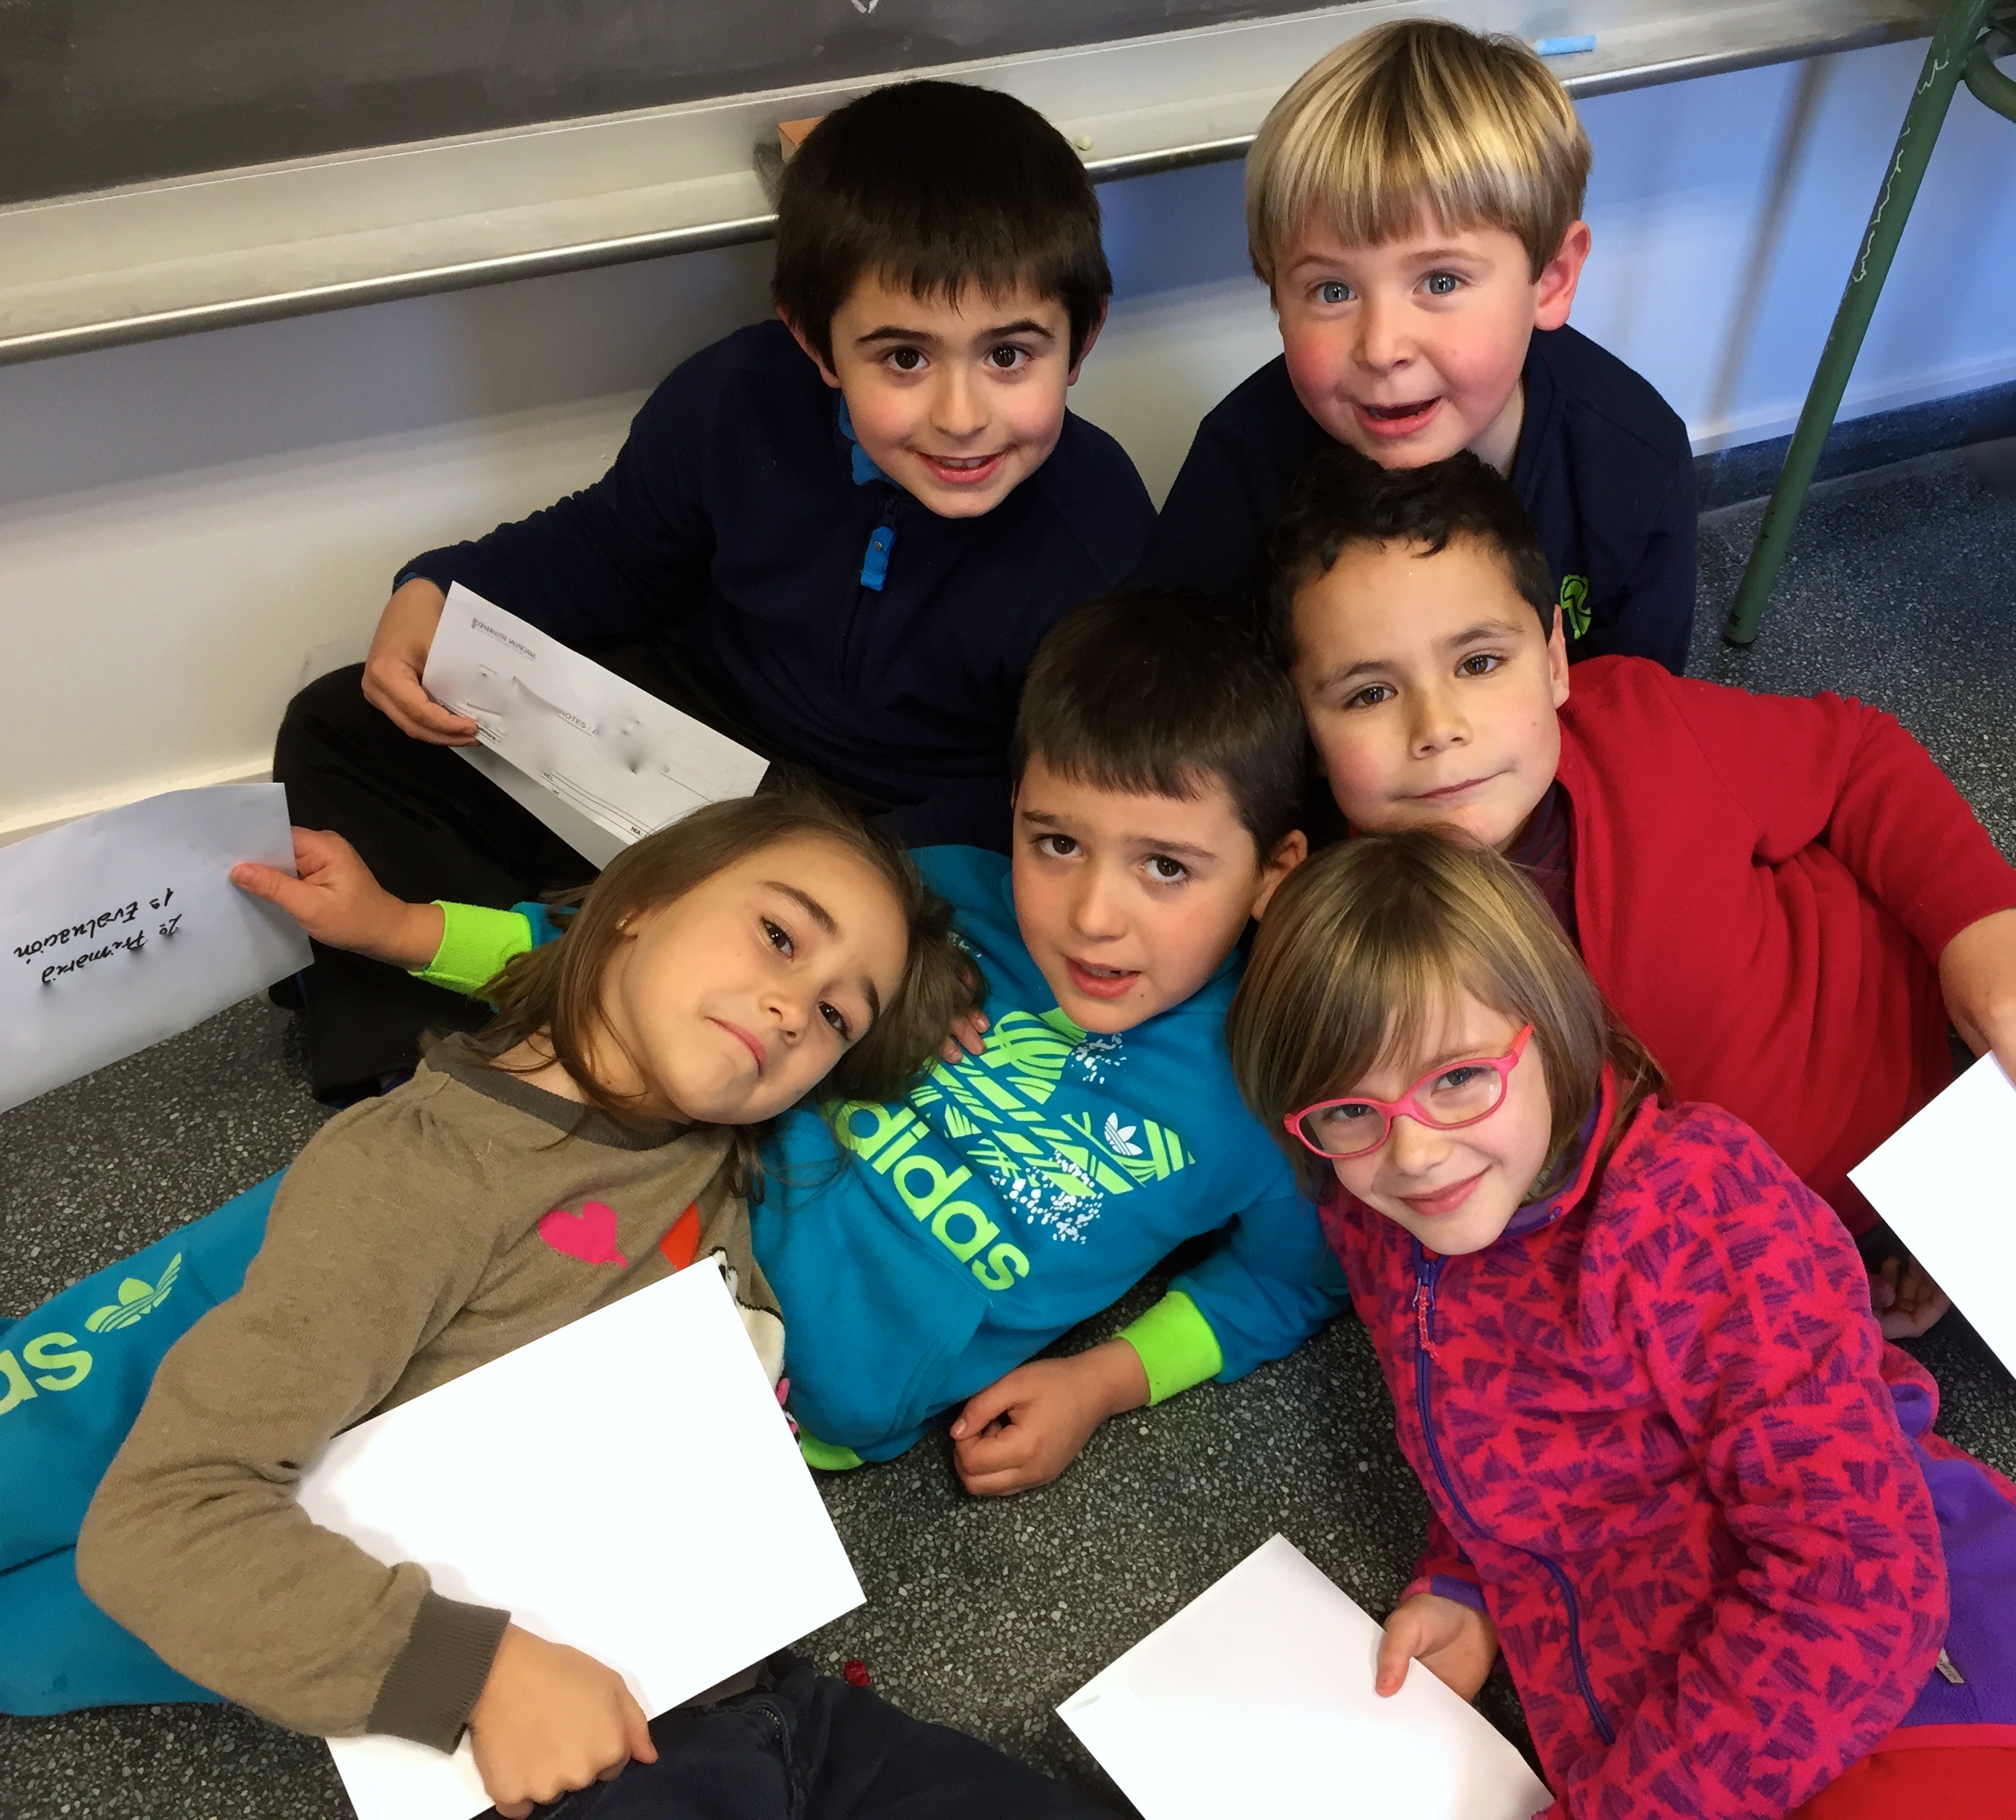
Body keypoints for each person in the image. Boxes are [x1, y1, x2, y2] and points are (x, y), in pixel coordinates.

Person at [5, 598, 1343, 1653]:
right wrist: (408, 930)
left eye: (1166, 866)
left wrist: (1106, 1381)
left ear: (1273, 871)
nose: (1094, 913)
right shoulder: (935, 898)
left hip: (735, 1422)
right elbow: (659, 966)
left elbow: (1291, 1278)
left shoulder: (1269, 1083)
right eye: (1056, 842)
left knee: (318, 1553)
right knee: (211, 1332)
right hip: (591, 1200)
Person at [1256, 445, 2016, 1513]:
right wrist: (1808, 1279)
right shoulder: (1360, 952)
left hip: (1999, 1035)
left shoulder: (1644, 726)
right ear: (1308, 726)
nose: (1438, 727)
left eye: (1480, 661)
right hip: (1921, 1220)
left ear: (1555, 658)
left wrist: (1985, 925)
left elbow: (1860, 762)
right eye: (1368, 693)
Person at [67, 794, 1114, 1820]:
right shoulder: (419, 1175)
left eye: (839, 1015)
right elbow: (155, 1525)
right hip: (577, 1762)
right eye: (779, 936)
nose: (797, 1010)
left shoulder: (723, 1139)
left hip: (789, 1706)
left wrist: (924, 1014)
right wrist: (480, 1677)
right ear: (637, 905)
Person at [271, 79, 1155, 1099]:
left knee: (883, 993)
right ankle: (414, 1068)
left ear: (1082, 339)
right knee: (345, 723)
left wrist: (890, 885)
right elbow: (608, 550)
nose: (962, 416)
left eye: (1008, 355)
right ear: (816, 343)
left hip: (883, 836)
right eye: (904, 358)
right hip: (683, 738)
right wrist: (436, 589)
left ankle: (609, 1004)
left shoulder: (1097, 536)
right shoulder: (735, 397)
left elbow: (1063, 792)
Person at [1227, 831, 2016, 1820]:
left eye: (1456, 1079)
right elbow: (1497, 1416)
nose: (1412, 1152)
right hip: (1695, 1729)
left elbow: (1857, 1580)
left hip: (1931, 1713)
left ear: (1551, 1030)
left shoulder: (1697, 1204)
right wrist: (1471, 1579)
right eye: (1348, 1110)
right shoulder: (1374, 1210)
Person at [1133, 19, 1696, 674]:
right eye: (1333, 291)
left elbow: (1636, 710)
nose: (1381, 349)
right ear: (1278, 300)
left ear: (1551, 279)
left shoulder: (1634, 462)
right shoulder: (1242, 464)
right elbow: (1169, 697)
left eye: (1440, 281)